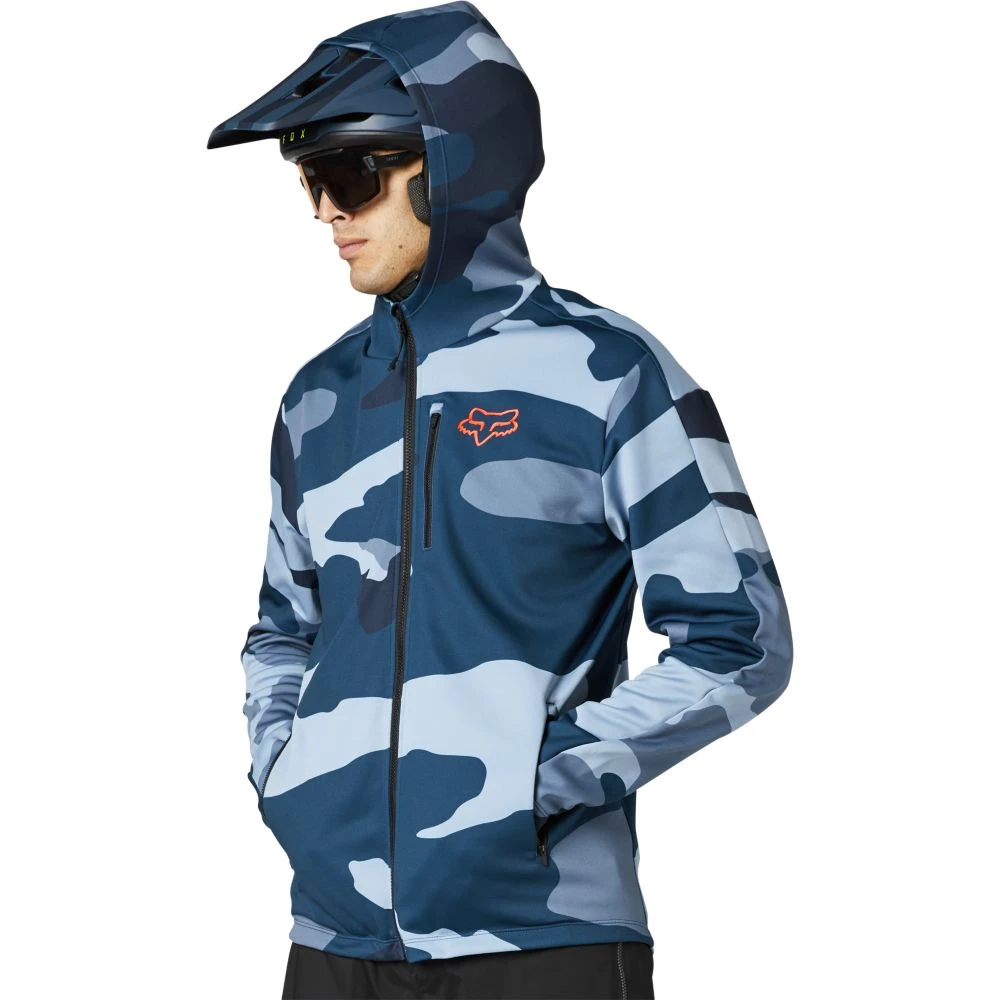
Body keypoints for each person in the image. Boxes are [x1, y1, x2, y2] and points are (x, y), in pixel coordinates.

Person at [206, 3, 793, 998]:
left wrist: (529, 786)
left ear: (456, 163)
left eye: (351, 175)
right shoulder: (316, 399)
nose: (326, 212)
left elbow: (740, 637)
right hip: (334, 939)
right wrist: (286, 773)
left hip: (542, 938)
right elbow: (282, 627)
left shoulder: (609, 372)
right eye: (309, 180)